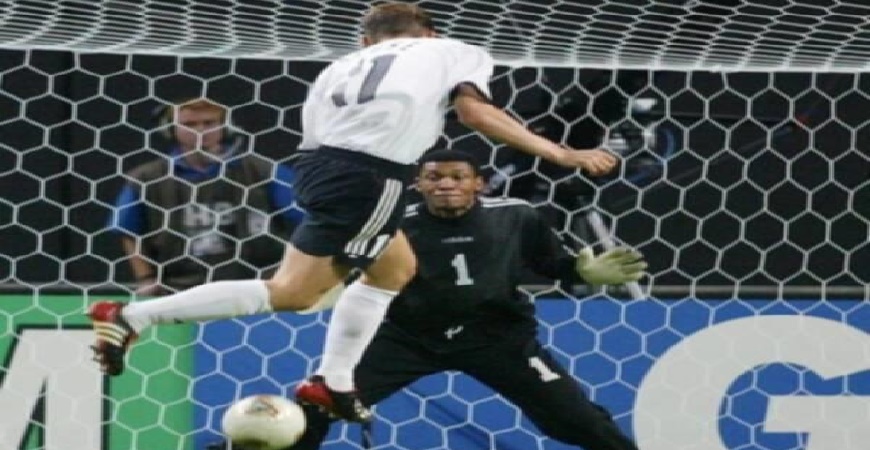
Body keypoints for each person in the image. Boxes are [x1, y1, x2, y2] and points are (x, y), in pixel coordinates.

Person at [88, 2, 619, 424]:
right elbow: (474, 111)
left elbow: (315, 139)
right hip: (372, 174)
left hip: (319, 170)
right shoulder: (454, 50)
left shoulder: (338, 67)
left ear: (366, 41)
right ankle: (136, 316)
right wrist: (560, 153)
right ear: (430, 33)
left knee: (391, 269)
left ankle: (335, 382)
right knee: (294, 293)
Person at [207, 149, 646, 450]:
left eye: (458, 177)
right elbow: (351, 269)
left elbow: (553, 265)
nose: (446, 185)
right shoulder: (394, 223)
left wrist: (583, 272)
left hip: (498, 337)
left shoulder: (516, 215)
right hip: (406, 337)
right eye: (434, 177)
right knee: (315, 409)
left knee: (577, 421)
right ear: (418, 183)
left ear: (478, 184)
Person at [109, 98, 304, 295]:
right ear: (170, 129)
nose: (200, 130)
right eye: (189, 124)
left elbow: (306, 218)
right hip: (180, 287)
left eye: (209, 123)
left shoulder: (263, 170)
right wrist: (146, 278)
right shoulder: (146, 178)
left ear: (226, 127)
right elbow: (128, 231)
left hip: (257, 285)